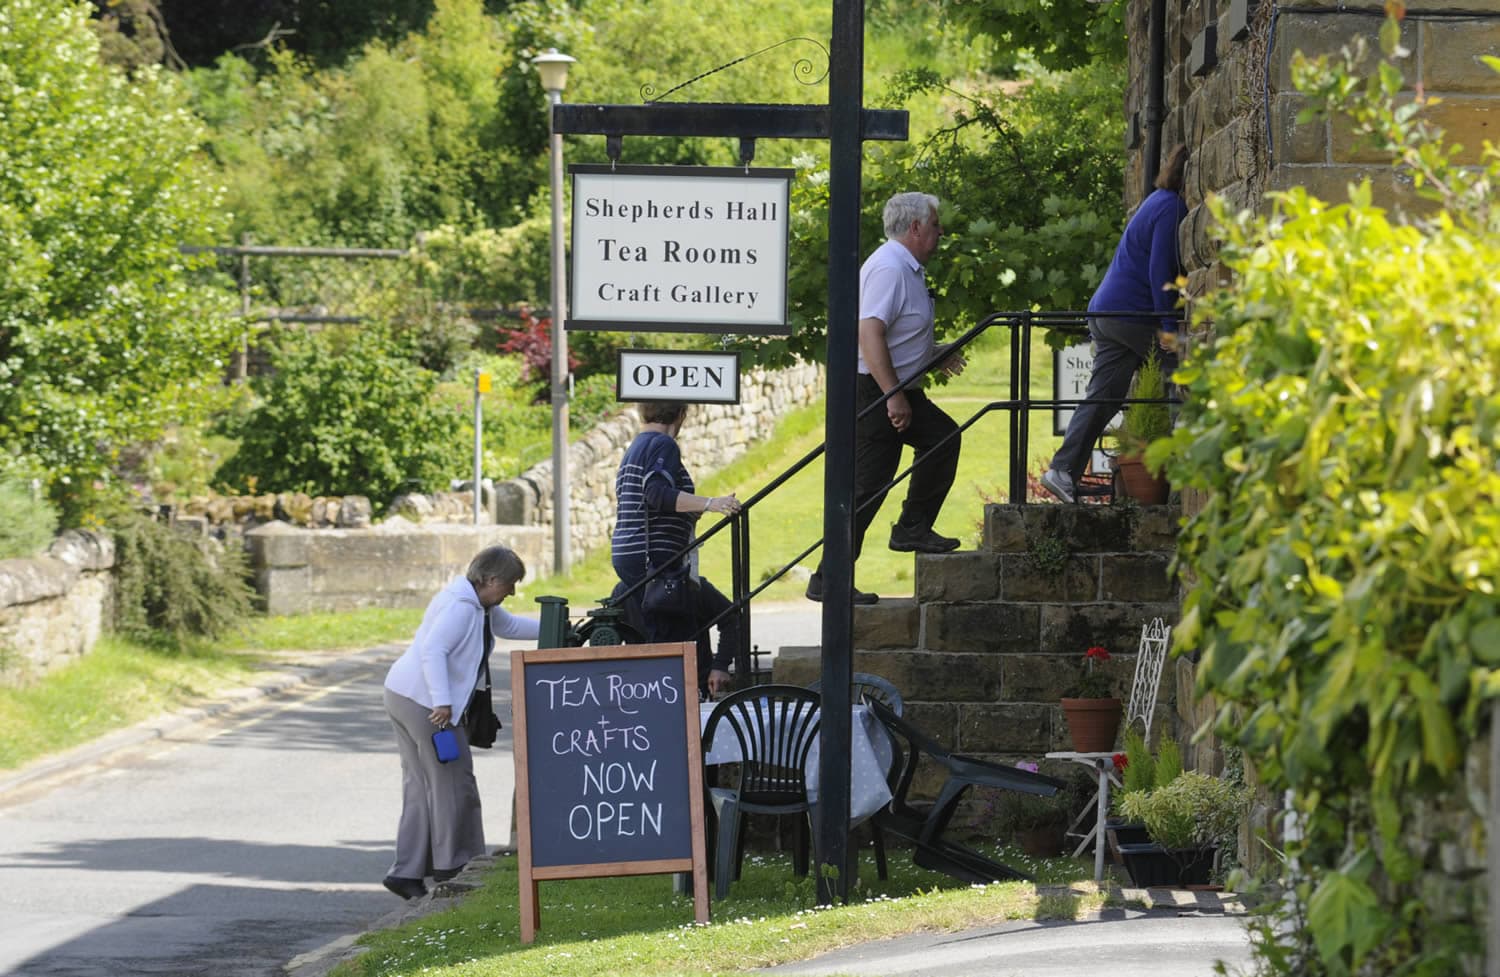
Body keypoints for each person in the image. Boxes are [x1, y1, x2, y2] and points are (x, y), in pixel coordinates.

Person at [806, 191, 967, 605]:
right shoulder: (889, 268)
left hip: (897, 387)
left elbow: (895, 334)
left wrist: (934, 353)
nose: (940, 232)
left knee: (942, 438)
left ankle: (912, 527)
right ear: (915, 227)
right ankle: (828, 580)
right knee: (867, 487)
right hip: (877, 390)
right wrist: (892, 395)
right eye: (935, 225)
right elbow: (869, 333)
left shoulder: (906, 269)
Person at [380, 544, 539, 899]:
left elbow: (511, 625)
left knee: (422, 784)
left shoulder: (476, 603)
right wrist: (443, 701)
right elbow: (433, 650)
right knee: (455, 781)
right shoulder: (463, 608)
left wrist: (560, 627)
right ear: (491, 579)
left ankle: (406, 873)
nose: (512, 592)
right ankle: (457, 864)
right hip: (427, 706)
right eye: (511, 584)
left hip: (403, 694)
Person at [1041, 145, 1189, 504]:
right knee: (1183, 372)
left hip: (1106, 312)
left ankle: (1062, 470)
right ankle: (1180, 472)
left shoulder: (1154, 201)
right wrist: (1168, 328)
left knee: (1104, 396)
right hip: (1131, 313)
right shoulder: (1171, 207)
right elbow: (1159, 271)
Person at [611, 402, 742, 699]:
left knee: (663, 639)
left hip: (631, 554)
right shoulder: (664, 444)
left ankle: (672, 698)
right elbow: (656, 494)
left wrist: (689, 514)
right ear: (681, 415)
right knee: (673, 649)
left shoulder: (635, 448)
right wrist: (712, 503)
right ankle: (683, 701)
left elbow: (647, 500)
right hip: (654, 559)